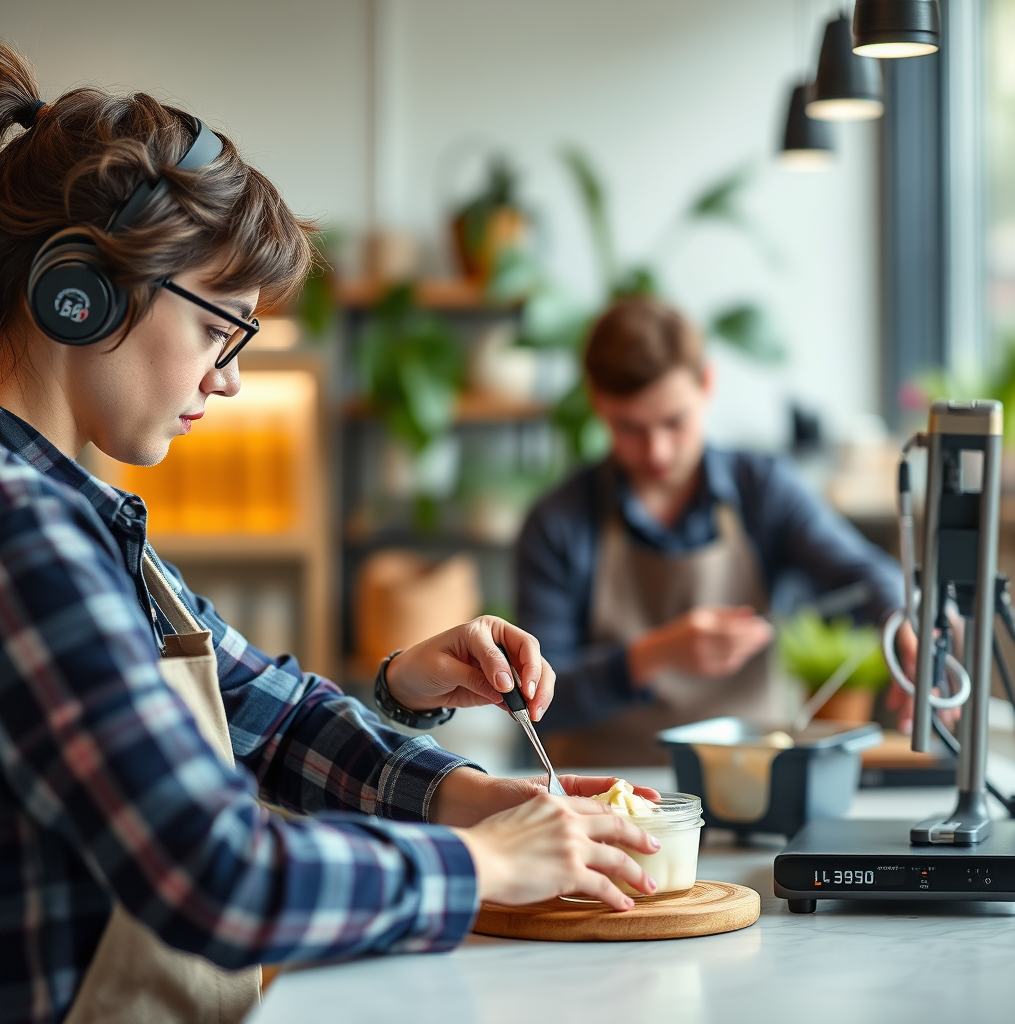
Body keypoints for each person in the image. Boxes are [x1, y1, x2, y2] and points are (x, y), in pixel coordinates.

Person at [0, 47, 662, 1024]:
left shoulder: (84, 523)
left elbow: (271, 718)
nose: (229, 377)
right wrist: (479, 863)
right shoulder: (28, 531)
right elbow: (216, 874)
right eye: (221, 326)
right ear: (78, 291)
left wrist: (478, 798)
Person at [516, 296, 907, 766]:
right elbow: (537, 704)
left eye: (673, 422)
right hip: (600, 797)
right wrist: (651, 656)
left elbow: (864, 573)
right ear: (599, 404)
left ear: (707, 384)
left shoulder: (762, 490)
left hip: (753, 781)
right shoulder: (558, 523)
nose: (657, 451)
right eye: (630, 428)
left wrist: (902, 620)